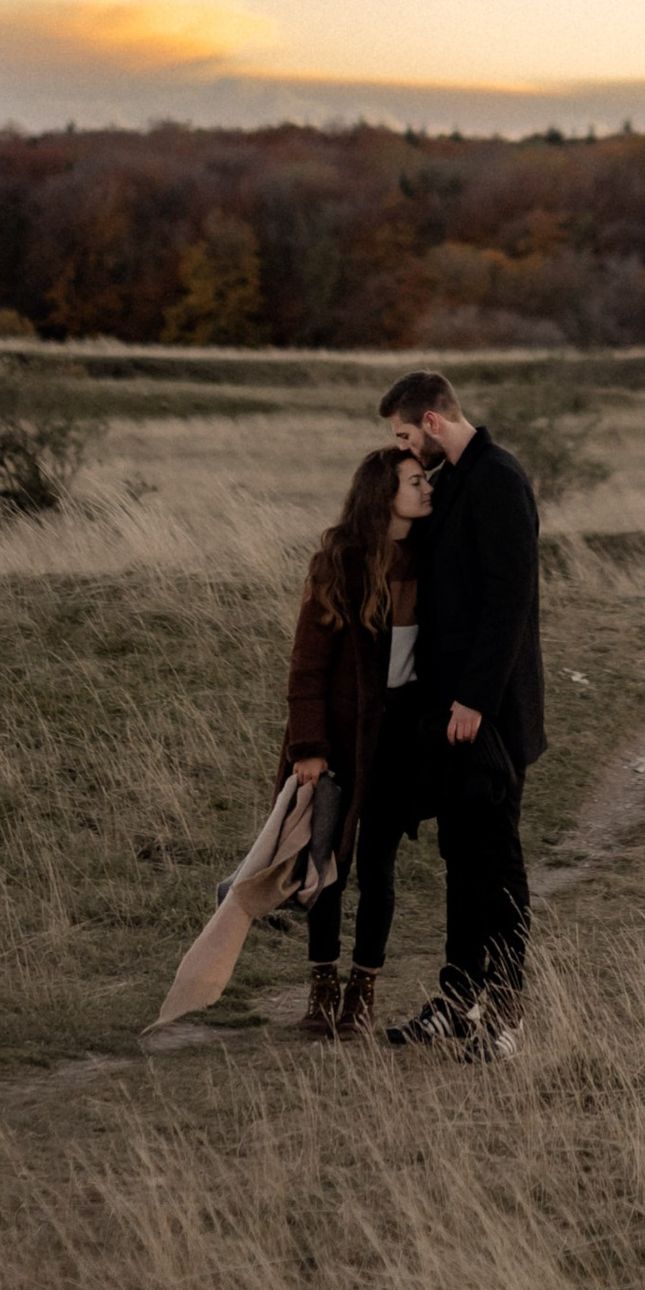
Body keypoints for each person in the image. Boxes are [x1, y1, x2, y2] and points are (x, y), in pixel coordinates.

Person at [375, 368, 543, 1058]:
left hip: (491, 712)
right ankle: (455, 997)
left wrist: (474, 698)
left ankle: (506, 1017)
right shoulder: (448, 484)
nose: (406, 449)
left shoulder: (500, 479)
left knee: (496, 861)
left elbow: (509, 601)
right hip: (450, 713)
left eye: (406, 434)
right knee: (459, 858)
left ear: (434, 423)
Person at [281, 441, 434, 1039]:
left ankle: (362, 989)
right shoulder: (340, 563)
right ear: (384, 493)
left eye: (426, 479)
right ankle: (322, 986)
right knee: (327, 863)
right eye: (415, 481)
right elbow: (307, 665)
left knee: (379, 867)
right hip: (341, 742)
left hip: (400, 742)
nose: (426, 489)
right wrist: (308, 746)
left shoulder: (430, 557)